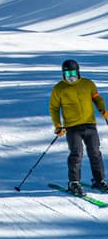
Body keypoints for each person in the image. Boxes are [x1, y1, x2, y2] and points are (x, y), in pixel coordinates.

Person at [49, 59, 108, 196]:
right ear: (63, 74)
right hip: (72, 127)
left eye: (73, 73)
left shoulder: (87, 84)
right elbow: (54, 108)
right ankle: (74, 182)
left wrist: (102, 110)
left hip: (90, 124)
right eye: (68, 73)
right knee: (76, 154)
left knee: (95, 152)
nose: (71, 76)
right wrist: (58, 126)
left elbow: (97, 98)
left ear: (78, 72)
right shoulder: (59, 89)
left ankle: (99, 180)